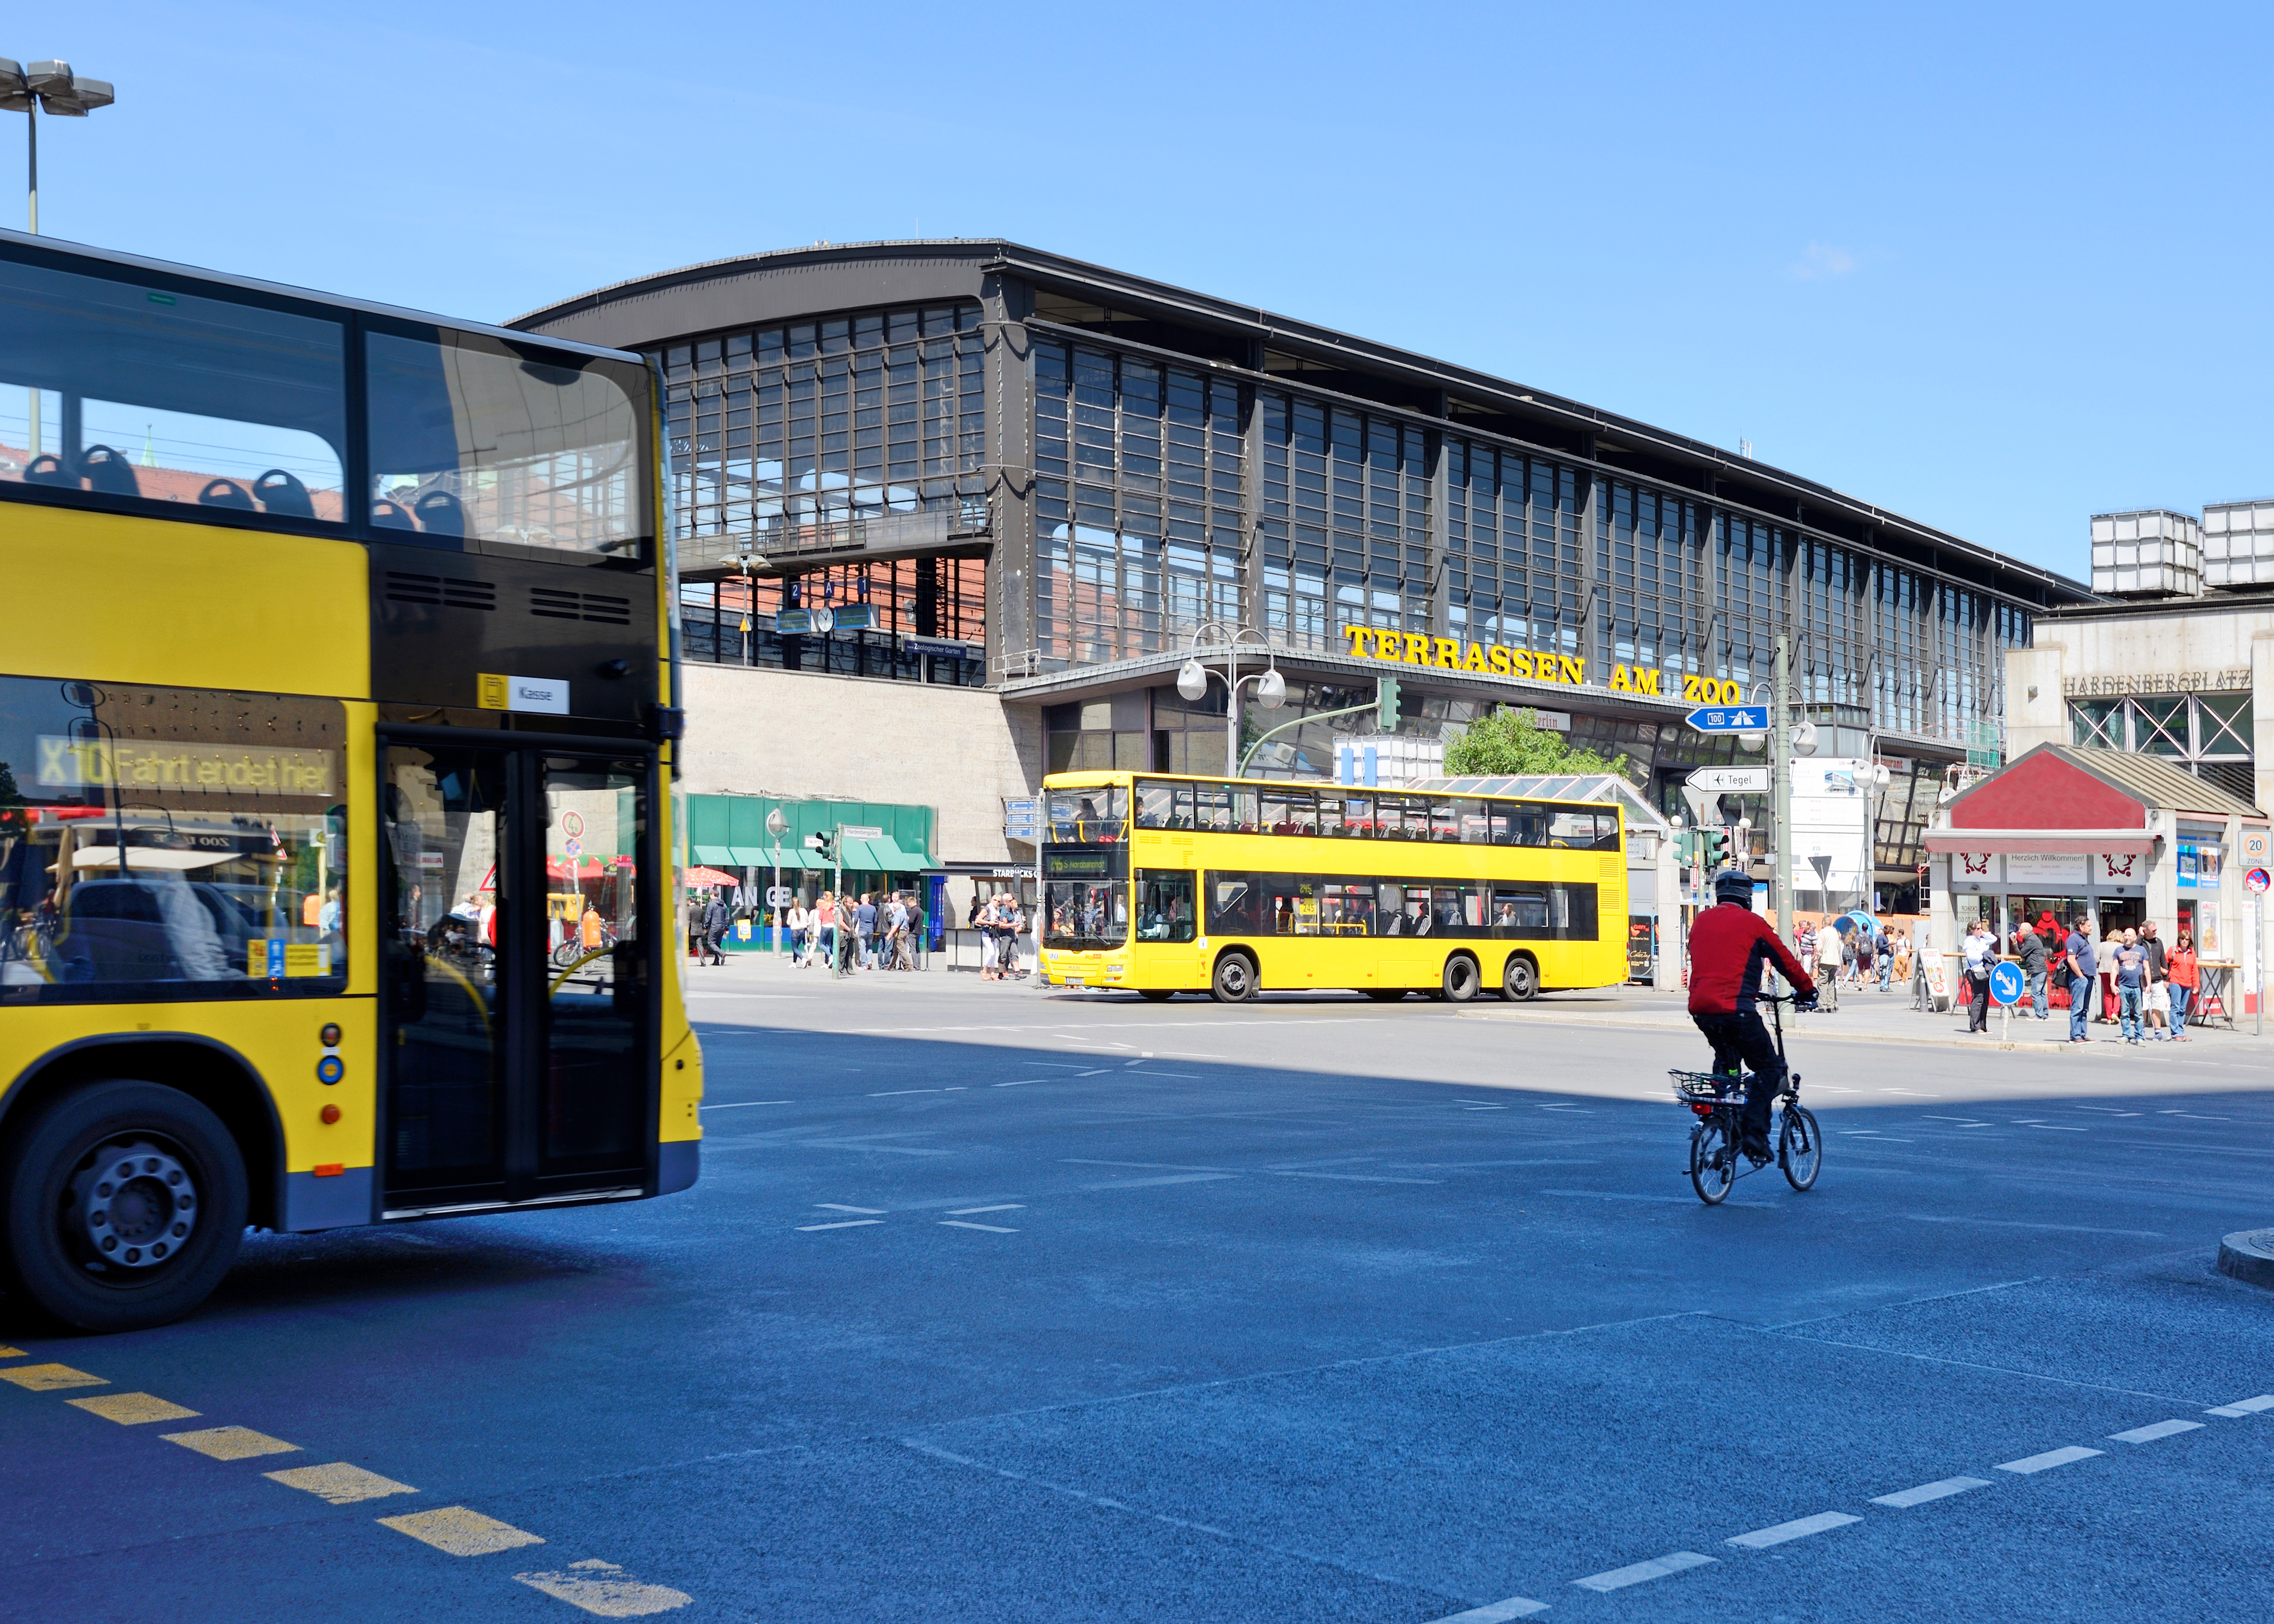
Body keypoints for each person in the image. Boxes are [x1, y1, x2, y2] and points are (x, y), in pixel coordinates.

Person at [1688, 869, 1817, 1163]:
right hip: (1737, 1010)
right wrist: (1808, 990)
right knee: (1770, 1069)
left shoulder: (1701, 921)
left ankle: (1725, 1117)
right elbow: (1785, 961)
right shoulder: (1753, 924)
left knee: (1728, 1062)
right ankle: (1754, 1133)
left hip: (1701, 1010)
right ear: (1747, 898)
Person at [2062, 913, 2097, 1043]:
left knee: (2084, 1008)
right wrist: (2081, 977)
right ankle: (2075, 1035)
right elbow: (2071, 959)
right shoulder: (2073, 939)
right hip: (2080, 979)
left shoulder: (2083, 939)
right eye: (2089, 925)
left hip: (2088, 978)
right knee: (2078, 1007)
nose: (2091, 928)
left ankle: (2082, 1034)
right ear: (2081, 927)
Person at [2113, 927, 2147, 1045]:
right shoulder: (2118, 950)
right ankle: (2126, 1035)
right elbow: (2114, 968)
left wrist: (2149, 985)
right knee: (2124, 1013)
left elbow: (2147, 968)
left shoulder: (2142, 950)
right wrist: (2113, 984)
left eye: (2129, 936)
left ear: (2135, 938)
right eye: (2125, 935)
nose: (2127, 938)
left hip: (2137, 986)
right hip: (2124, 986)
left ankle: (2139, 1036)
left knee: (2139, 1013)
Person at [2138, 921, 2171, 1040]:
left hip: (2158, 979)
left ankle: (2158, 1033)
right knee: (2143, 1007)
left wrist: (2166, 978)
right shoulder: (2140, 943)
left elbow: (2164, 960)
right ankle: (2140, 1031)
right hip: (2143, 981)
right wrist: (2140, 936)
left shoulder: (2158, 942)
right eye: (2153, 930)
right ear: (2145, 930)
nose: (2155, 932)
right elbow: (2134, 948)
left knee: (2157, 1007)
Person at [1961, 918, 1994, 1032]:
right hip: (1974, 970)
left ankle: (1983, 1026)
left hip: (1984, 970)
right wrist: (1983, 956)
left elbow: (1994, 939)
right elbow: (1971, 957)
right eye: (1978, 929)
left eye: (1981, 928)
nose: (1980, 931)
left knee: (1985, 998)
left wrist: (1984, 933)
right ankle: (1975, 1026)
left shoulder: (1981, 940)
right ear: (1972, 930)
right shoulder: (1970, 941)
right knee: (1978, 997)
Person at [2013, 919, 2050, 1020]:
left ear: (2027, 931)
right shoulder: (2032, 939)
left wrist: (2015, 943)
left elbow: (2022, 954)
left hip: (2037, 969)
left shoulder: (2031, 940)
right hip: (2041, 968)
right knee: (2042, 992)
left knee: (2036, 992)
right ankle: (2045, 1014)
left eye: (2021, 930)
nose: (2019, 932)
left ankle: (2039, 1015)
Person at [2167, 928, 2198, 1041]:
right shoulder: (2173, 950)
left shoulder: (2192, 953)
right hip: (2175, 981)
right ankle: (2175, 1033)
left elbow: (2195, 970)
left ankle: (2181, 1032)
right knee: (2175, 1007)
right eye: (2182, 939)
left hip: (2187, 983)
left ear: (2190, 941)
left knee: (2182, 1009)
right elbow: (2164, 962)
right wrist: (2165, 977)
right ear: (2179, 940)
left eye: (2187, 939)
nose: (2184, 941)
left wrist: (2196, 985)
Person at [1815, 917, 1842, 1011]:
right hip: (1834, 961)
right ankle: (1831, 1005)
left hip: (1825, 960)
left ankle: (1823, 1005)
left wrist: (1817, 958)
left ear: (1823, 923)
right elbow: (1838, 947)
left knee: (1822, 983)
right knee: (1831, 983)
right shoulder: (1835, 932)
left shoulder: (1823, 932)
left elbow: (1819, 948)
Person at [702, 892, 730, 966]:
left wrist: (705, 927)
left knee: (711, 943)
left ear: (712, 895)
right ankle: (717, 961)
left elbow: (708, 916)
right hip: (722, 927)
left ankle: (722, 953)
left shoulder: (711, 904)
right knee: (717, 944)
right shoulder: (724, 904)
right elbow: (727, 918)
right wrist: (727, 928)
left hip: (714, 926)